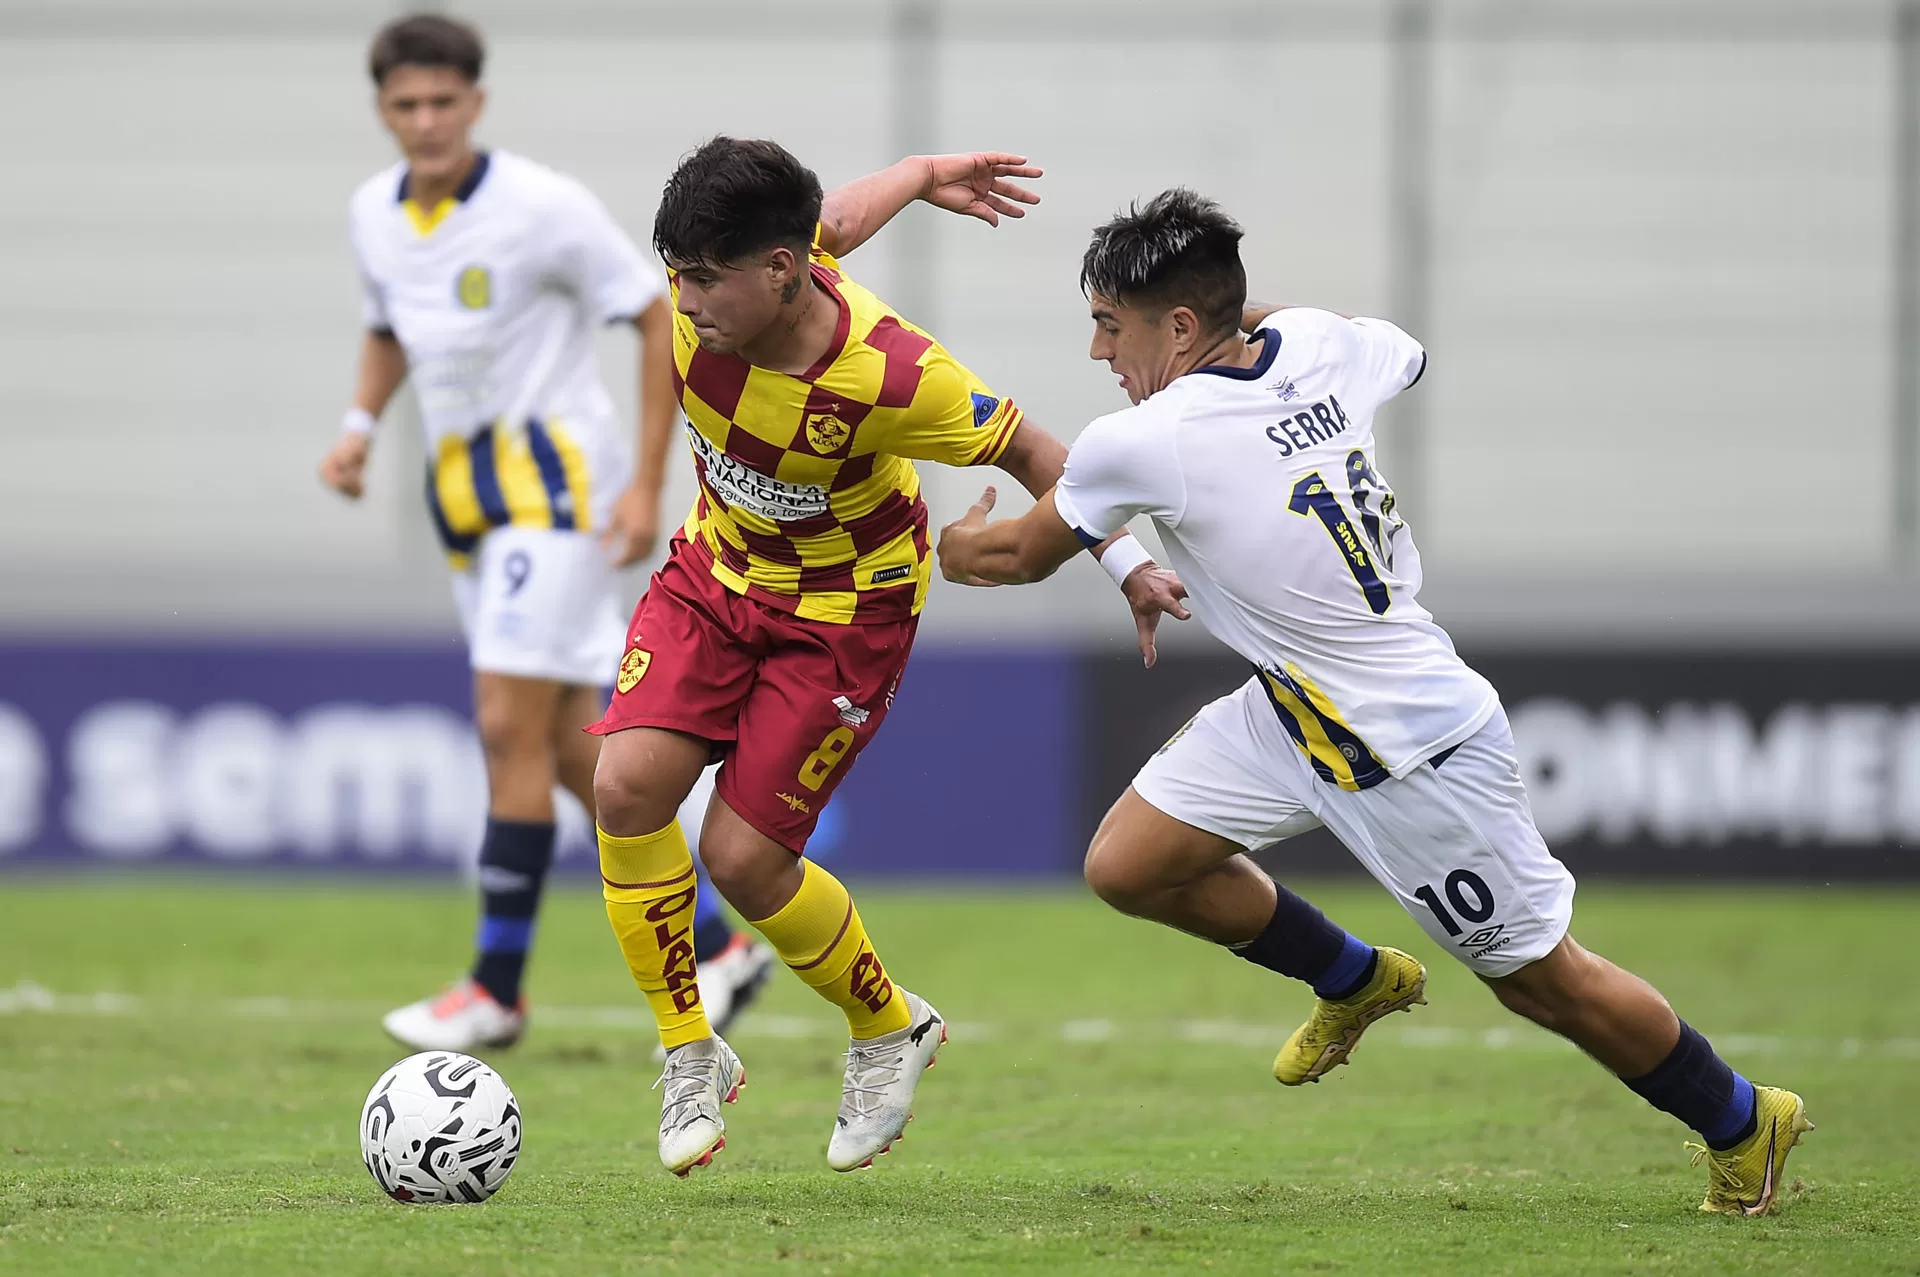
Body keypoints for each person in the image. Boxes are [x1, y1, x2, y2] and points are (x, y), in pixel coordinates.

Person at [933, 189, 1811, 1217]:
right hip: (1297, 711)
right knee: (1127, 863)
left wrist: (949, 546)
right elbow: (1400, 349)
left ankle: (1744, 1117)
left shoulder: (1150, 434)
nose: (1096, 352)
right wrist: (1267, 342)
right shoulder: (1317, 342)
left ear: (1179, 326)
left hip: (1411, 744)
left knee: (1543, 980)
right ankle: (1355, 977)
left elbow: (1019, 557)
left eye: (1109, 325)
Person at [589, 136, 1181, 1177]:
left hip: (843, 613)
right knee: (626, 785)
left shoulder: (894, 376)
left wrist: (1128, 564)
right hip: (717, 575)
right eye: (673, 274)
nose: (680, 303)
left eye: (701, 279)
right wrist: (914, 172)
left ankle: (888, 1024)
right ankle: (688, 1047)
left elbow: (1043, 454)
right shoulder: (743, 278)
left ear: (779, 273)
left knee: (742, 859)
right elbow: (841, 219)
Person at [317, 13, 770, 1054]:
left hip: (559, 492)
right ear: (383, 110)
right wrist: (355, 429)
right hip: (471, 506)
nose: (426, 121)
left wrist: (644, 483)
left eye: (443, 101)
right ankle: (719, 946)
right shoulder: (372, 215)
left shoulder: (541, 207)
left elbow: (656, 311)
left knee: (503, 728)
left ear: (476, 102)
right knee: (571, 747)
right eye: (406, 105)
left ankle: (496, 987)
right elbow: (391, 325)